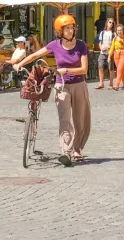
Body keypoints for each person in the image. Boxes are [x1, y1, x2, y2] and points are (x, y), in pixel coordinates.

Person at [11, 14, 91, 166]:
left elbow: (84, 69)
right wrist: (20, 64)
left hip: (79, 85)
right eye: (66, 28)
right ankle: (66, 152)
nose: (70, 30)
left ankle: (77, 148)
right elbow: (36, 55)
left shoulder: (81, 45)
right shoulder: (55, 45)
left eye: (71, 27)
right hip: (61, 86)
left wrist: (66, 70)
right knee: (64, 119)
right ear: (60, 31)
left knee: (80, 120)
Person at [95, 18, 116, 90]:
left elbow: (115, 43)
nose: (111, 24)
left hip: (110, 52)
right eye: (110, 22)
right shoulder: (102, 32)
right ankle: (101, 83)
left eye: (112, 23)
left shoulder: (114, 33)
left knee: (111, 68)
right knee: (100, 66)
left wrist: (110, 47)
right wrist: (101, 48)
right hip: (103, 52)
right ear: (107, 23)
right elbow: (100, 42)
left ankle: (111, 83)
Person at [109, 25, 124, 90]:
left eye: (120, 30)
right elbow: (112, 48)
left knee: (119, 69)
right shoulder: (114, 38)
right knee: (121, 70)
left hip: (123, 54)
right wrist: (109, 56)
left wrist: (121, 41)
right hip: (116, 54)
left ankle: (116, 85)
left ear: (123, 31)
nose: (119, 32)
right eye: (118, 30)